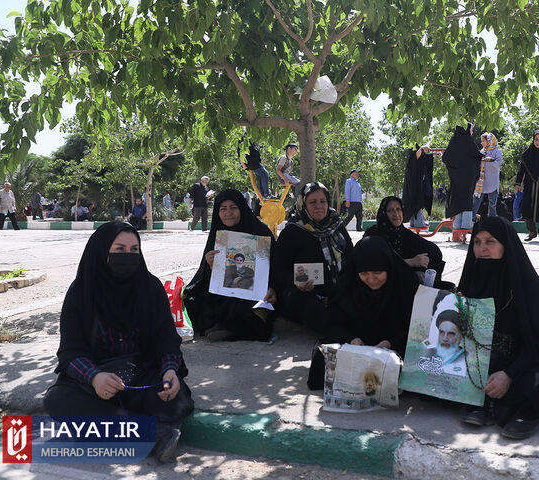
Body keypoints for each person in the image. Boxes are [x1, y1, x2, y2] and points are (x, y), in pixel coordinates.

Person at [43, 222, 194, 463]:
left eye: (134, 250)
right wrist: (94, 377)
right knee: (58, 400)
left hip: (141, 375)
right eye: (120, 249)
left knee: (174, 394)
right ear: (102, 251)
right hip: (98, 380)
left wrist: (169, 369)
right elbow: (70, 351)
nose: (128, 256)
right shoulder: (81, 292)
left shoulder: (150, 287)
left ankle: (123, 431)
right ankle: (155, 432)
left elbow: (166, 337)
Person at [456, 216, 539, 439]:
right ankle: (482, 401)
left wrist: (509, 374)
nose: (482, 249)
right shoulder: (471, 281)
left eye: (490, 241)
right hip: (483, 362)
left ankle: (527, 412)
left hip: (522, 363)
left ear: (505, 245)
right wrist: (457, 309)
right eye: (477, 242)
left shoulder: (527, 288)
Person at [183, 189, 276, 342]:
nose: (228, 213)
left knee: (246, 304)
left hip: (253, 291)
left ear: (242, 208)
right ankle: (224, 325)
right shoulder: (218, 234)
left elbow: (275, 267)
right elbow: (205, 277)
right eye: (223, 209)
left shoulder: (260, 232)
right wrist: (211, 265)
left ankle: (228, 328)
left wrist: (272, 287)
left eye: (233, 207)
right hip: (225, 289)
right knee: (192, 299)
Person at [273, 182, 353, 334]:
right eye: (312, 202)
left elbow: (351, 257)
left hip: (339, 290)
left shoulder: (337, 226)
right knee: (305, 304)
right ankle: (341, 335)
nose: (319, 206)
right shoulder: (292, 232)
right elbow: (278, 270)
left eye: (323, 201)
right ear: (303, 204)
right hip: (305, 294)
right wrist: (296, 282)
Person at [326, 236, 420, 357]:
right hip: (356, 352)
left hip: (400, 351)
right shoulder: (347, 286)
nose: (371, 279)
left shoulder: (406, 285)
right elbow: (332, 323)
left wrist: (391, 343)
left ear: (389, 268)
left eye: (378, 272)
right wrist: (351, 339)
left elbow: (420, 328)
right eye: (364, 273)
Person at [363, 196, 448, 288]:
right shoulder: (373, 235)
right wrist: (412, 262)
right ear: (383, 213)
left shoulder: (404, 233)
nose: (396, 214)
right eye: (390, 210)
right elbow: (375, 266)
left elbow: (433, 251)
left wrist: (423, 275)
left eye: (398, 209)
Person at [442, 123, 483, 229]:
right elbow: (477, 155)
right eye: (471, 129)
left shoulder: (454, 140)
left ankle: (457, 224)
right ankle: (466, 224)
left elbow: (446, 158)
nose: (472, 132)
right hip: (468, 176)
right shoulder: (468, 140)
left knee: (457, 198)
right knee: (467, 198)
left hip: (456, 176)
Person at [472, 132, 503, 222]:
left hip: (492, 182)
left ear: (489, 141)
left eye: (483, 141)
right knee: (476, 202)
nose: (481, 143)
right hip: (481, 183)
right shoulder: (482, 152)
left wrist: (491, 160)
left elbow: (498, 165)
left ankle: (491, 222)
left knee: (492, 204)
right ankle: (471, 221)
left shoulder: (497, 152)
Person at [402, 145, 435, 228]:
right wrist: (421, 149)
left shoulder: (417, 149)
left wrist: (433, 154)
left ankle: (414, 222)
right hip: (413, 183)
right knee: (417, 202)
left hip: (416, 183)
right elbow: (415, 157)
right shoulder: (412, 149)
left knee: (415, 202)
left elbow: (423, 157)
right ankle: (419, 222)